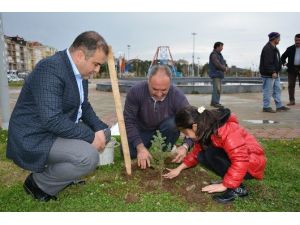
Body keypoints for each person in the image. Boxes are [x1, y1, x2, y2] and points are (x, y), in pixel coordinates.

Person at [6, 31, 111, 202]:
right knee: (89, 158)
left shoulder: (80, 72)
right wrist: (91, 136)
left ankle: (65, 175)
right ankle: (37, 183)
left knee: (104, 133)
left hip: (56, 130)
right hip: (36, 135)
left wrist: (100, 129)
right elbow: (52, 119)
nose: (97, 70)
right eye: (96, 64)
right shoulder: (50, 68)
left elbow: (84, 106)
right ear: (80, 55)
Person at [163, 106, 266, 203]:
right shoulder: (205, 129)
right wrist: (179, 169)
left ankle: (238, 189)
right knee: (202, 155)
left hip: (251, 164)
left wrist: (225, 185)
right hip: (242, 162)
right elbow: (196, 153)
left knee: (210, 153)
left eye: (185, 132)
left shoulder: (225, 130)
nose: (186, 136)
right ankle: (229, 179)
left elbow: (241, 160)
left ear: (194, 126)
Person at [124, 65, 192, 169]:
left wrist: (185, 146)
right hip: (142, 129)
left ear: (170, 84)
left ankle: (167, 149)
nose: (159, 94)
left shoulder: (177, 96)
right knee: (129, 152)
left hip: (166, 129)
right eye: (155, 89)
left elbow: (192, 122)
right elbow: (129, 121)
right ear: (148, 81)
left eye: (164, 90)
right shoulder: (135, 92)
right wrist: (140, 147)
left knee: (174, 123)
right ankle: (146, 149)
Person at [259, 32, 290, 113]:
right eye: (278, 38)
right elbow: (267, 62)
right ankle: (266, 107)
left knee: (277, 89)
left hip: (275, 73)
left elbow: (277, 60)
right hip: (269, 74)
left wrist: (281, 66)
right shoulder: (267, 48)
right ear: (274, 39)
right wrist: (272, 72)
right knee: (268, 90)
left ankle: (279, 106)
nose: (279, 39)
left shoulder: (275, 48)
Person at [281, 33, 300, 106]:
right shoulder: (290, 48)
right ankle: (292, 101)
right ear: (294, 40)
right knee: (291, 85)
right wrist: (285, 64)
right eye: (296, 40)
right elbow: (282, 57)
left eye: (299, 40)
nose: (297, 42)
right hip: (292, 69)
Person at [208, 42, 227, 108]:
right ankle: (215, 102)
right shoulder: (214, 55)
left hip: (219, 74)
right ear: (217, 47)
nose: (222, 48)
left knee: (217, 89)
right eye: (221, 46)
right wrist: (224, 68)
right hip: (216, 74)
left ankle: (214, 102)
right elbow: (217, 64)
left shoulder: (219, 54)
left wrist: (225, 66)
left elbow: (223, 62)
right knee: (217, 89)